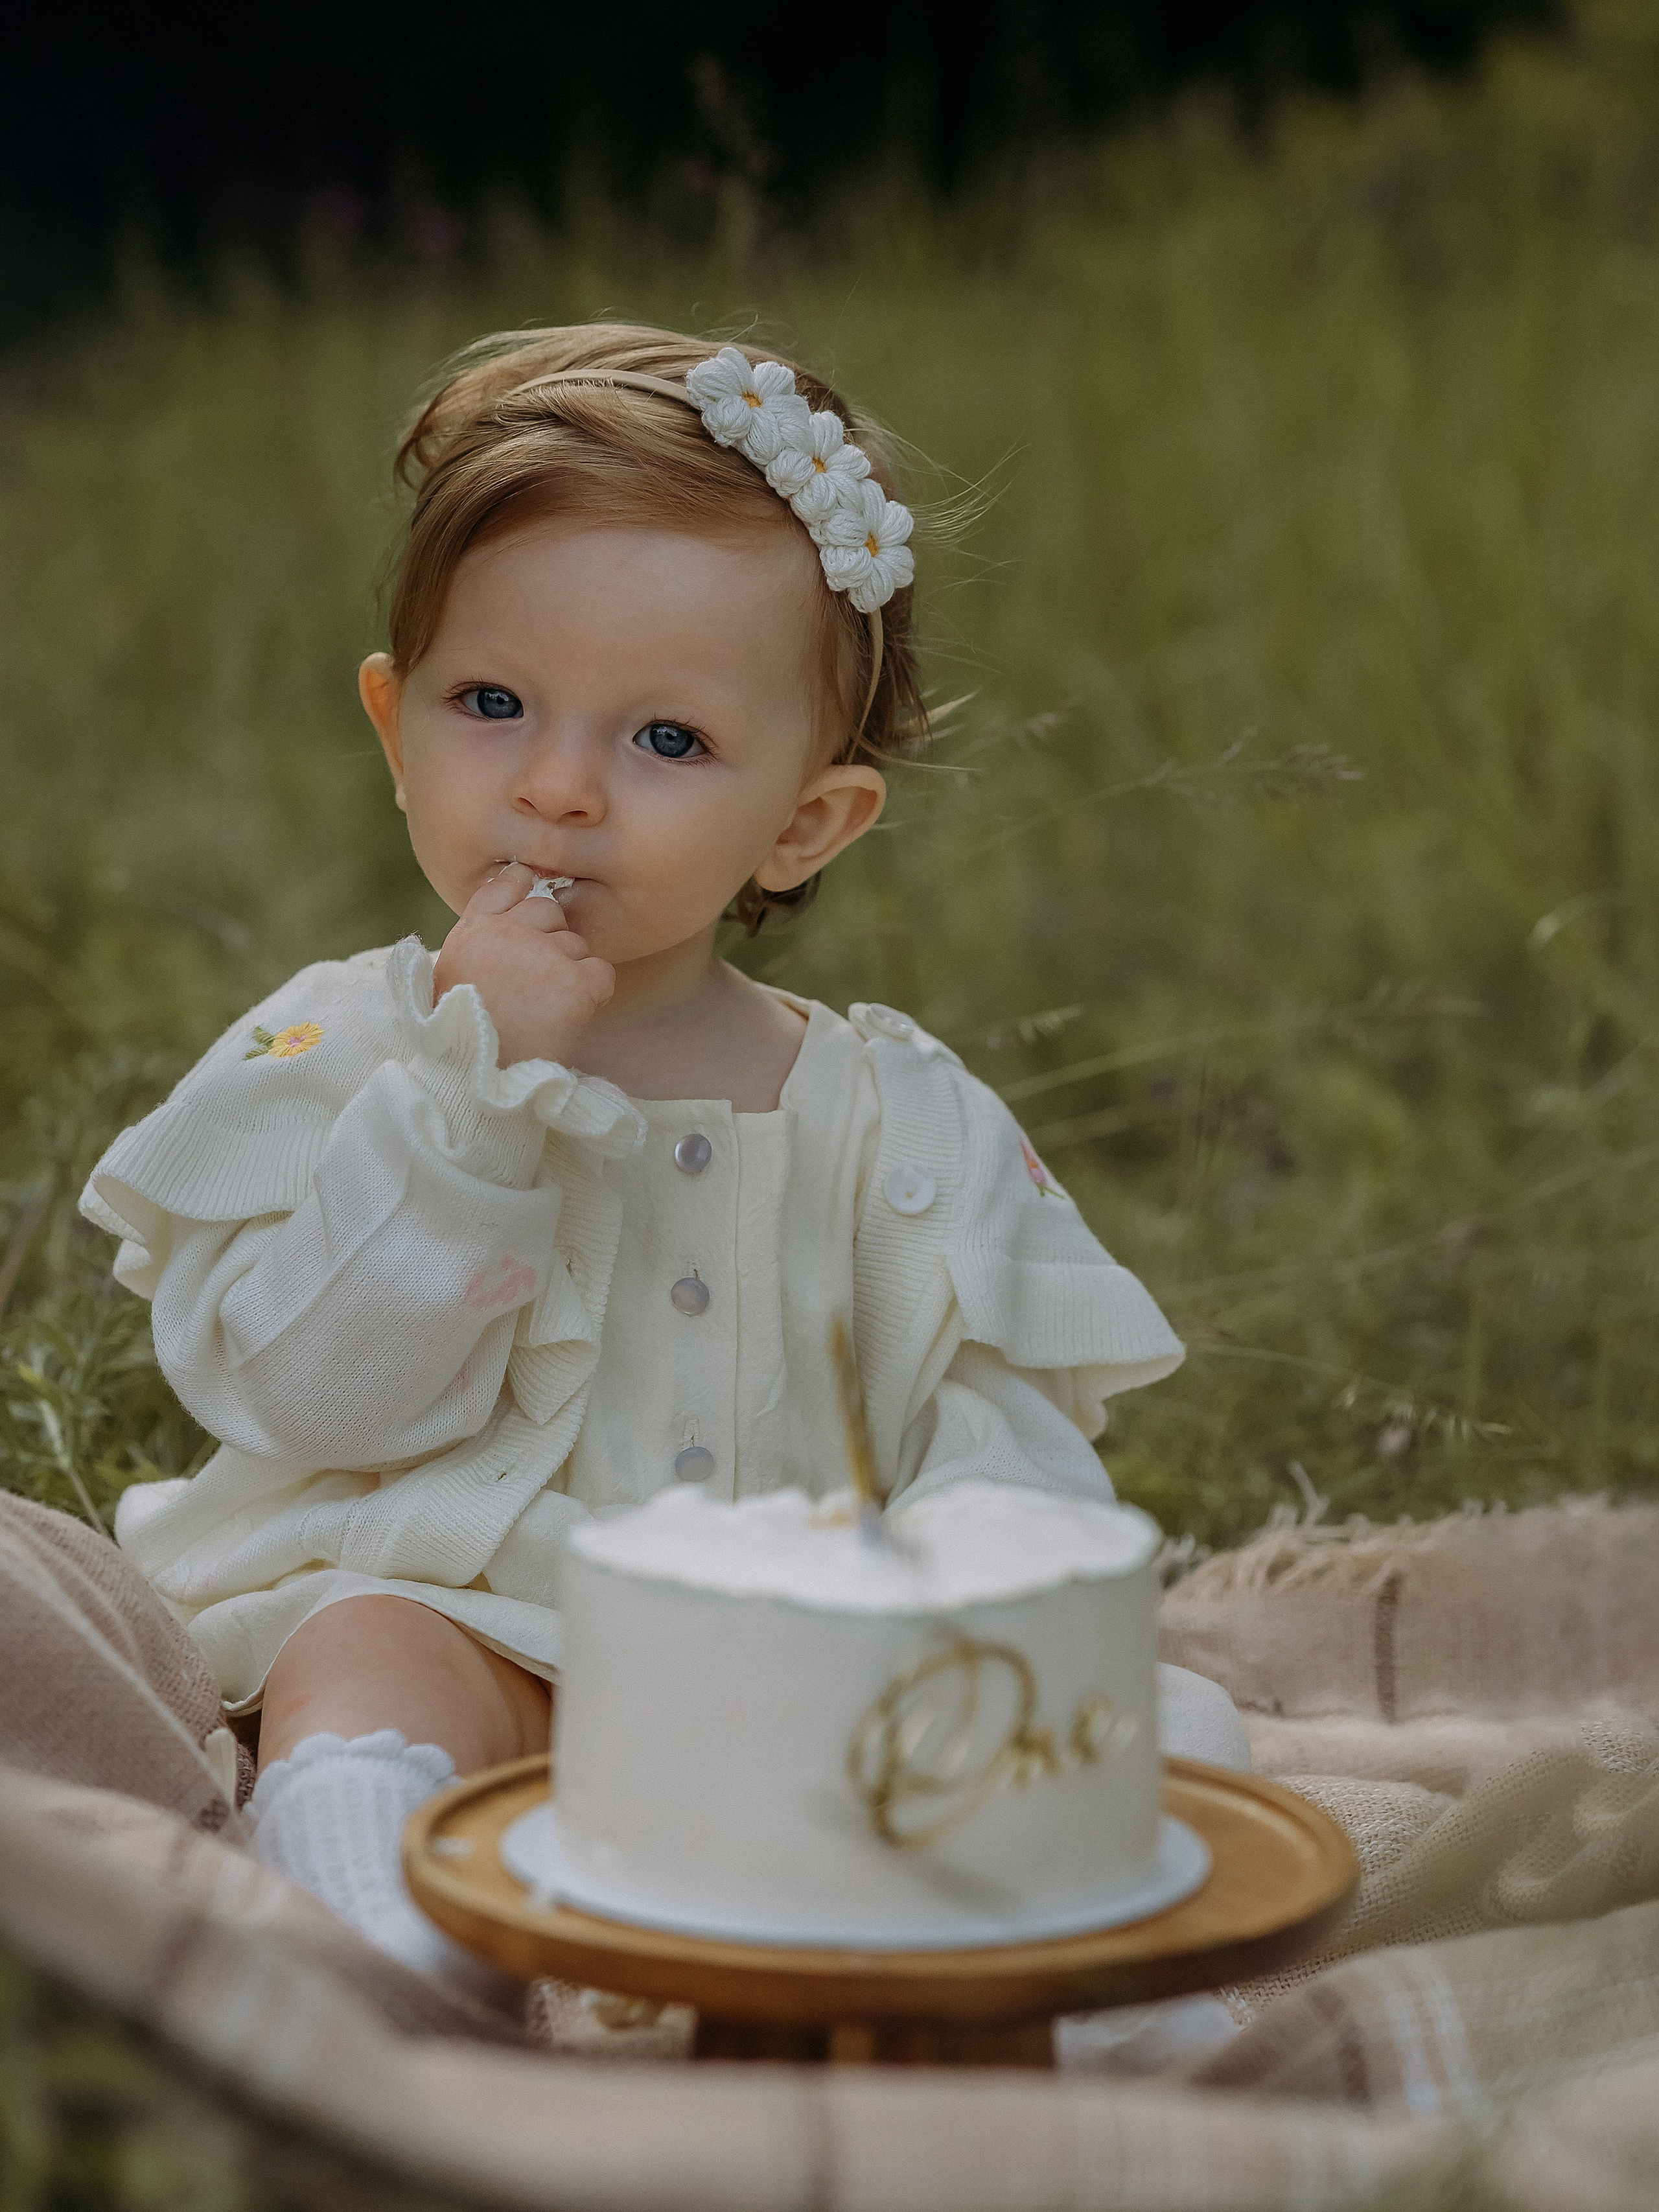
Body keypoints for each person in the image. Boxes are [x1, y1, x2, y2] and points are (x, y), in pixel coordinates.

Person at [81, 325, 1247, 1989]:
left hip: (791, 1682)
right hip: (469, 1625)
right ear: (394, 721)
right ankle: (382, 1949)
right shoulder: (344, 1058)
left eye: (667, 742)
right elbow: (303, 1403)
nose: (554, 791)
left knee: (1150, 1722)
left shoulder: (888, 1125)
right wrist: (472, 1100)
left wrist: (943, 1620)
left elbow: (999, 1455)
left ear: (802, 822)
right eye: (493, 705)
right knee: (364, 1653)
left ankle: (1034, 1985)